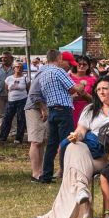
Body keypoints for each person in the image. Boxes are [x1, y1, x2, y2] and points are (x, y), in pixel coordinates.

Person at [28, 76, 109, 218]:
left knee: (72, 169)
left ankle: (55, 213)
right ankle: (80, 189)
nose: (101, 92)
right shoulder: (91, 109)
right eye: (98, 89)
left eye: (105, 88)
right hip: (91, 154)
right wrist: (76, 136)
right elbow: (81, 130)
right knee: (74, 146)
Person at [27, 49, 82, 184]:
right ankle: (66, 173)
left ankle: (46, 175)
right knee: (66, 143)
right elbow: (74, 89)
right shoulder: (59, 71)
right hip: (64, 110)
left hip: (52, 110)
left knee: (51, 145)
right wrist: (83, 85)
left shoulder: (43, 73)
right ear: (59, 59)